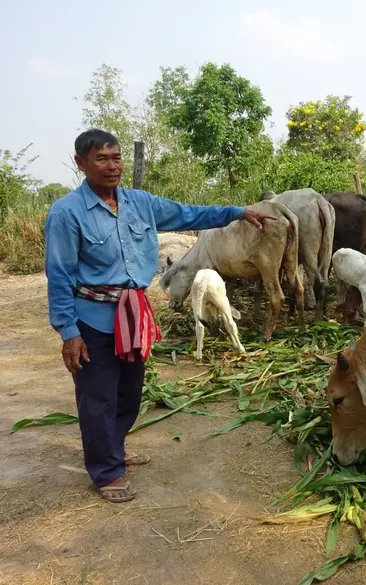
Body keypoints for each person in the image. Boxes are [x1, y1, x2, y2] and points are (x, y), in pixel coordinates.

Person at [44, 129, 277, 503]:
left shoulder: (140, 203)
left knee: (129, 392)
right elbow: (59, 275)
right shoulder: (66, 213)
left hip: (134, 315)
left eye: (117, 157)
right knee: (97, 397)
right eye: (102, 159)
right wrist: (69, 331)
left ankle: (114, 449)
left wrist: (238, 212)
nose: (112, 166)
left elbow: (189, 213)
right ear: (81, 163)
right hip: (92, 318)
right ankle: (106, 472)